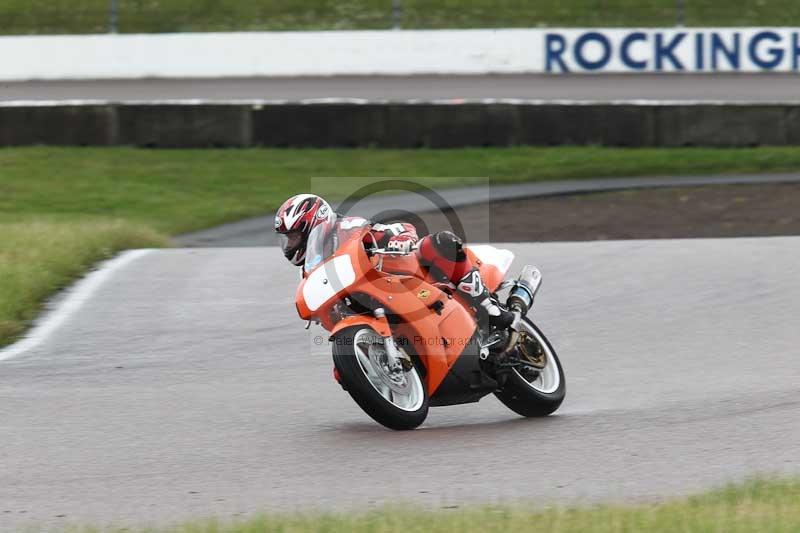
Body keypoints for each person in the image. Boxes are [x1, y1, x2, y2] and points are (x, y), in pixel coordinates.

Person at [274, 194, 514, 332]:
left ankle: (488, 307)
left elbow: (397, 228)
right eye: (287, 239)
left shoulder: (348, 227)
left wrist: (399, 240)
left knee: (438, 243)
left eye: (293, 236)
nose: (290, 245)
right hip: (376, 304)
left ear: (316, 224)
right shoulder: (311, 272)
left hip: (403, 275)